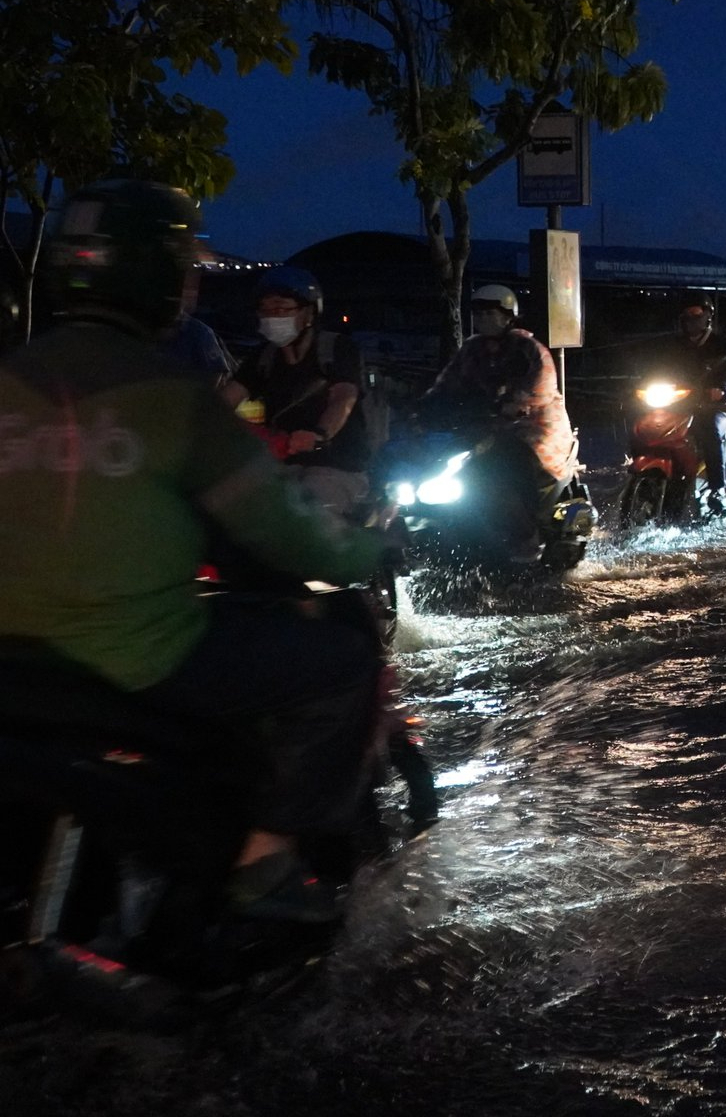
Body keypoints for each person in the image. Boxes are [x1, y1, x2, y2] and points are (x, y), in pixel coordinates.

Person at [0, 180, 386, 924]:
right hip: (133, 655)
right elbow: (293, 535)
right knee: (342, 665)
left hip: (13, 656)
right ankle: (265, 866)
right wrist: (366, 548)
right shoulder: (174, 393)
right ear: (151, 275)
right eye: (182, 269)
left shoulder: (12, 375)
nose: (190, 286)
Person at [421, 284, 579, 557]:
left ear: (507, 316)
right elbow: (446, 384)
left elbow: (540, 386)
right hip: (486, 426)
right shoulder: (471, 349)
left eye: (488, 312)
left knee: (505, 466)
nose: (481, 318)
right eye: (478, 313)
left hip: (534, 428)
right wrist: (422, 408)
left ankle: (526, 534)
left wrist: (514, 404)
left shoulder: (529, 348)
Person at [222, 266, 372, 515]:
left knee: (307, 516)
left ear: (309, 313)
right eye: (265, 310)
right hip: (280, 464)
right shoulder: (263, 357)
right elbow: (226, 398)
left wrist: (319, 434)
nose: (272, 316)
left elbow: (344, 397)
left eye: (281, 308)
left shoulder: (336, 349)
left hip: (336, 465)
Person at [658, 297, 726, 499]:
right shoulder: (675, 346)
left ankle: (717, 487)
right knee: (651, 424)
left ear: (707, 317)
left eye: (696, 315)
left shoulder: (722, 344)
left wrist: (721, 390)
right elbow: (659, 368)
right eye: (686, 316)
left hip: (715, 406)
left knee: (709, 429)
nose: (691, 320)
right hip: (681, 404)